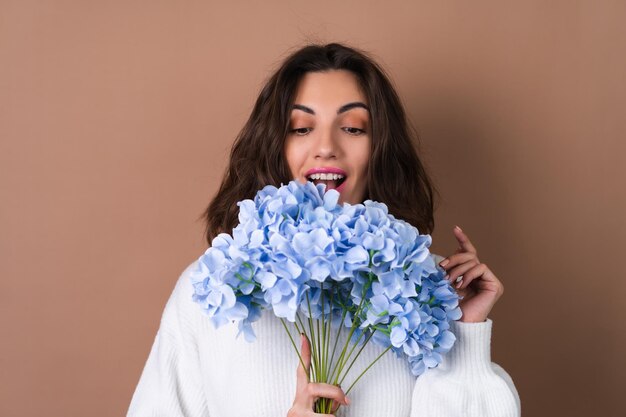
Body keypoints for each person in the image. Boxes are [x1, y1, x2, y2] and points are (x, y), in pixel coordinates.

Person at [128, 43, 521, 417]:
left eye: (352, 128)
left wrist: (466, 333)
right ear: (274, 147)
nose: (326, 146)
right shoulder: (215, 288)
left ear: (380, 148)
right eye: (301, 128)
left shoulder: (432, 292)